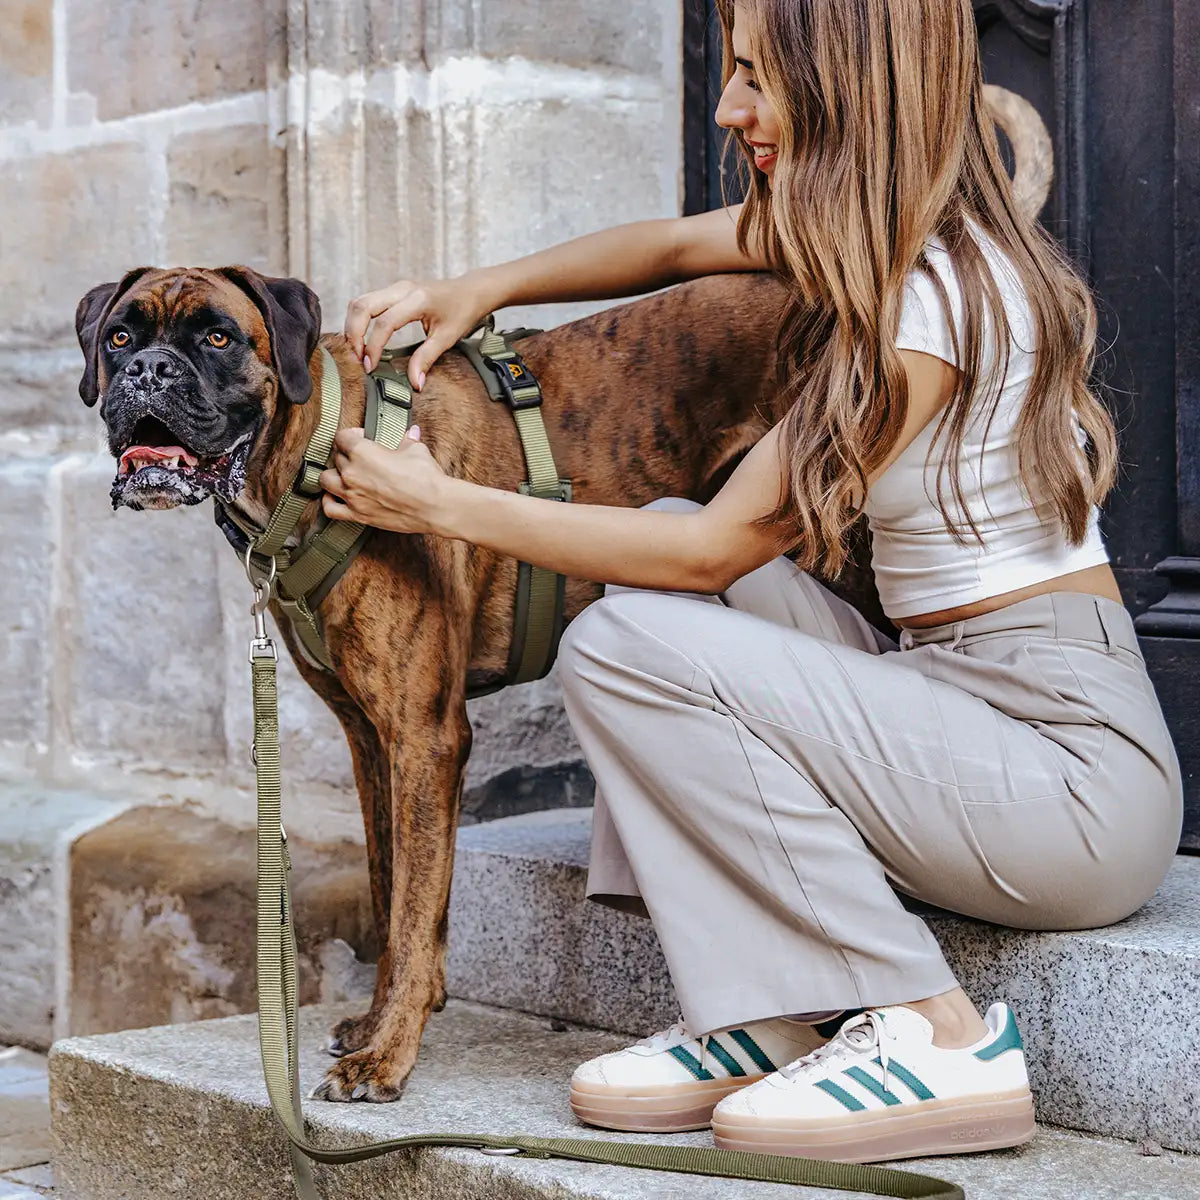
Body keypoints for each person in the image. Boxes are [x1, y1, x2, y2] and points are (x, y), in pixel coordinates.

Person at [321, 0, 1182, 1165]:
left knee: (631, 631)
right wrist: (476, 288)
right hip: (960, 701)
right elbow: (673, 249)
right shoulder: (885, 241)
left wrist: (442, 505)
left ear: (851, 91)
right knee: (665, 551)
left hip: (1071, 784)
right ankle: (768, 1013)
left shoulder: (925, 303)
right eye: (728, 75)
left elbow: (716, 551)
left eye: (756, 81)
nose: (728, 111)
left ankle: (934, 1035)